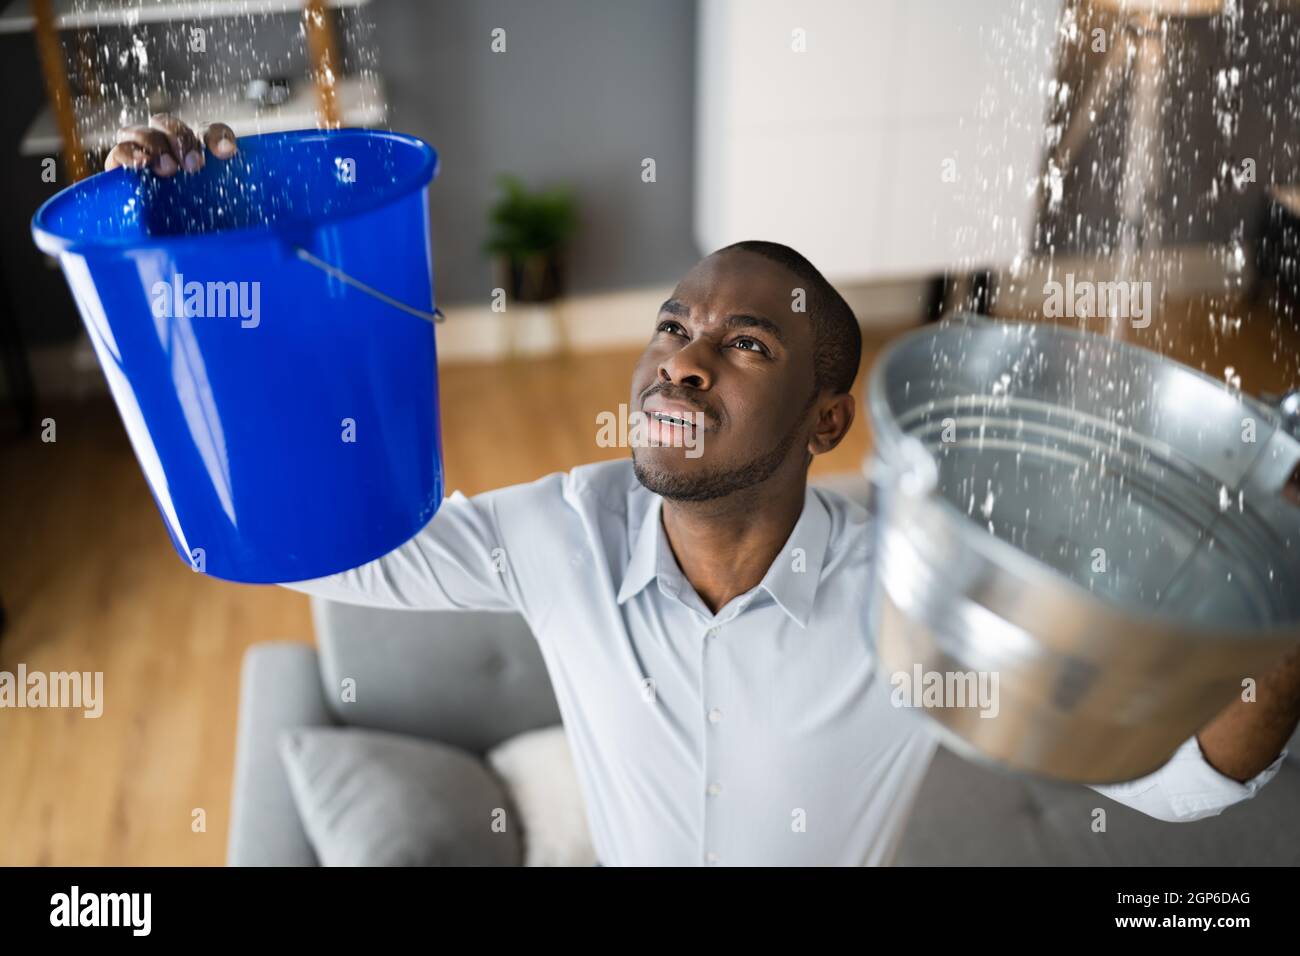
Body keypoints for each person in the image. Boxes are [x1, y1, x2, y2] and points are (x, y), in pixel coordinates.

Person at [110, 116, 1300, 866]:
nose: (680, 354)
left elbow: (1183, 782)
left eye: (747, 344)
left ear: (827, 420)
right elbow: (306, 542)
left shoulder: (908, 594)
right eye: (675, 323)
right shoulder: (562, 530)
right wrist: (208, 259)